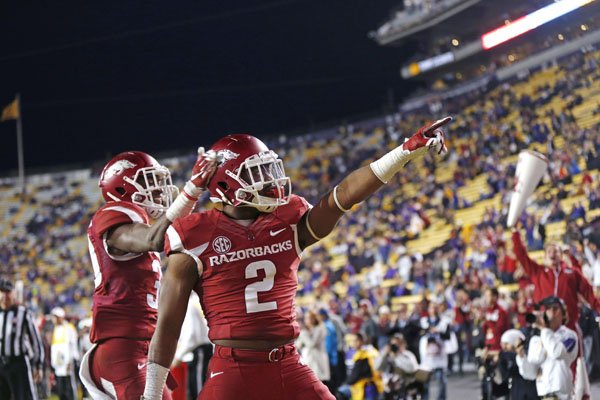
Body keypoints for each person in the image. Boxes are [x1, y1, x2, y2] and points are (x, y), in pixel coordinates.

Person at [142, 119, 450, 400]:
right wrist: (152, 396)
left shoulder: (286, 221)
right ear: (224, 185)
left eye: (267, 170)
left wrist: (404, 151)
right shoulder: (193, 235)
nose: (268, 180)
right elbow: (168, 326)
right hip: (233, 368)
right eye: (256, 173)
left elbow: (342, 197)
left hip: (288, 362)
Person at [79, 149, 217, 399]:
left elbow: (167, 232)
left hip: (137, 348)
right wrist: (191, 191)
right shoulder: (112, 215)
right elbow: (154, 239)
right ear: (121, 188)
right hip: (122, 350)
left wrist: (193, 195)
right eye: (147, 181)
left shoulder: (137, 222)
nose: (158, 190)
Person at [516, 296, 578, 400]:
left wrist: (544, 330)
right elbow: (530, 373)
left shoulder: (569, 336)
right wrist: (521, 357)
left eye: (555, 308)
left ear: (563, 314)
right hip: (544, 395)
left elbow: (556, 352)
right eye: (548, 309)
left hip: (561, 394)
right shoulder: (536, 339)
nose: (551, 312)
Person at [0, 279, 44, 400]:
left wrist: (38, 365)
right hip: (0, 363)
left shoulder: (23, 313)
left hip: (18, 363)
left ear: (13, 293)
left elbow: (36, 341)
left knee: (25, 397)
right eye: (2, 292)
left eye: (7, 292)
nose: (4, 295)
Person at [374, 333, 420, 400]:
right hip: (389, 391)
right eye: (393, 344)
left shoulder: (407, 355)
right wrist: (384, 353)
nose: (395, 346)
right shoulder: (385, 356)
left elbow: (412, 369)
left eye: (398, 344)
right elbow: (376, 367)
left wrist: (397, 356)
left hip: (405, 390)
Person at [50, 307, 79, 400]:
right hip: (59, 364)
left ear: (61, 317)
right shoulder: (55, 329)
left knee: (69, 386)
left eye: (56, 317)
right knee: (61, 388)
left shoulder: (69, 328)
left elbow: (72, 346)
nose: (53, 319)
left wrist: (70, 361)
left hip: (67, 362)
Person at [297, 310, 330, 385]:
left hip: (318, 360)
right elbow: (298, 345)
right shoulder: (306, 331)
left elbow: (311, 344)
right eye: (306, 318)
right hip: (309, 360)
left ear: (314, 319)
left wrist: (303, 334)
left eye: (309, 318)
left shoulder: (319, 329)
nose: (306, 320)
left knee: (320, 383)